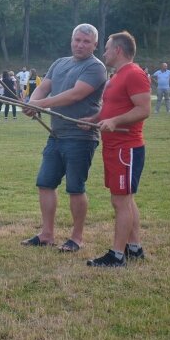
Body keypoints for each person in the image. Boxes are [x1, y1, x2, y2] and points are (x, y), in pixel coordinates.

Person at [21, 23, 107, 252]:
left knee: (75, 187)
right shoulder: (60, 63)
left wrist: (39, 104)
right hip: (56, 135)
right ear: (71, 40)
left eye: (86, 42)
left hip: (81, 137)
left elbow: (74, 95)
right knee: (45, 183)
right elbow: (44, 87)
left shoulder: (96, 68)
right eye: (77, 40)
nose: (80, 45)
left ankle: (77, 238)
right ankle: (47, 234)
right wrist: (32, 103)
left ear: (95, 45)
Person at [81, 31, 150, 267]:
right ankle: (134, 248)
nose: (104, 53)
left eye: (107, 48)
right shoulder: (116, 77)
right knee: (125, 200)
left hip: (126, 148)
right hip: (114, 147)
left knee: (121, 202)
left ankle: (117, 255)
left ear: (118, 50)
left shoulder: (134, 74)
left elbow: (143, 109)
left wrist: (115, 122)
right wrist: (93, 119)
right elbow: (110, 109)